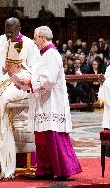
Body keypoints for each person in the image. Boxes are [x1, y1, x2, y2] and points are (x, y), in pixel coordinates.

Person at [18, 26, 82, 180]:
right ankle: (44, 170)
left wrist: (30, 81)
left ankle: (62, 170)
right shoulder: (44, 55)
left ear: (42, 37)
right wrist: (25, 83)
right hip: (43, 102)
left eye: (35, 38)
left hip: (52, 103)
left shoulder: (52, 54)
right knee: (42, 139)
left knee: (53, 136)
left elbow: (50, 79)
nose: (34, 41)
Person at [0, 41, 35, 179]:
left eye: (9, 65)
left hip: (19, 119)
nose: (5, 67)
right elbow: (0, 90)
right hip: (7, 117)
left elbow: (10, 96)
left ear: (18, 65)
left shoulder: (26, 76)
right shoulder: (10, 76)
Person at [0, 17, 40, 84]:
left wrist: (18, 74)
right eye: (7, 32)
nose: (9, 34)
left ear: (19, 29)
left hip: (19, 85)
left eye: (11, 32)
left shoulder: (29, 44)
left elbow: (35, 68)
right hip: (0, 83)